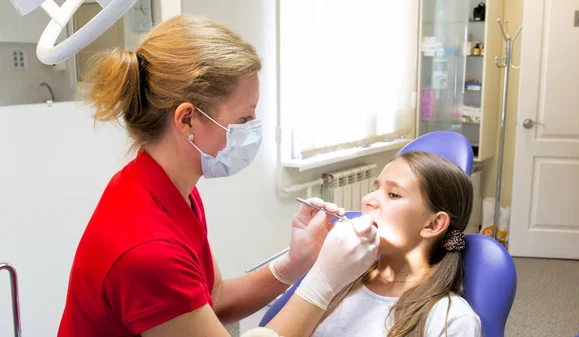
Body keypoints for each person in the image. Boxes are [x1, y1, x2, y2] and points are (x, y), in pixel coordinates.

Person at [56, 15, 379, 337]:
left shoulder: (164, 188)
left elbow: (214, 299)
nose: (254, 126)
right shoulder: (148, 247)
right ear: (187, 120)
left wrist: (296, 262)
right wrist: (322, 281)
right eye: (245, 116)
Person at [310, 151, 482, 337]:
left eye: (393, 194)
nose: (367, 200)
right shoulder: (338, 279)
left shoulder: (451, 320)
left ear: (433, 224)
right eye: (375, 189)